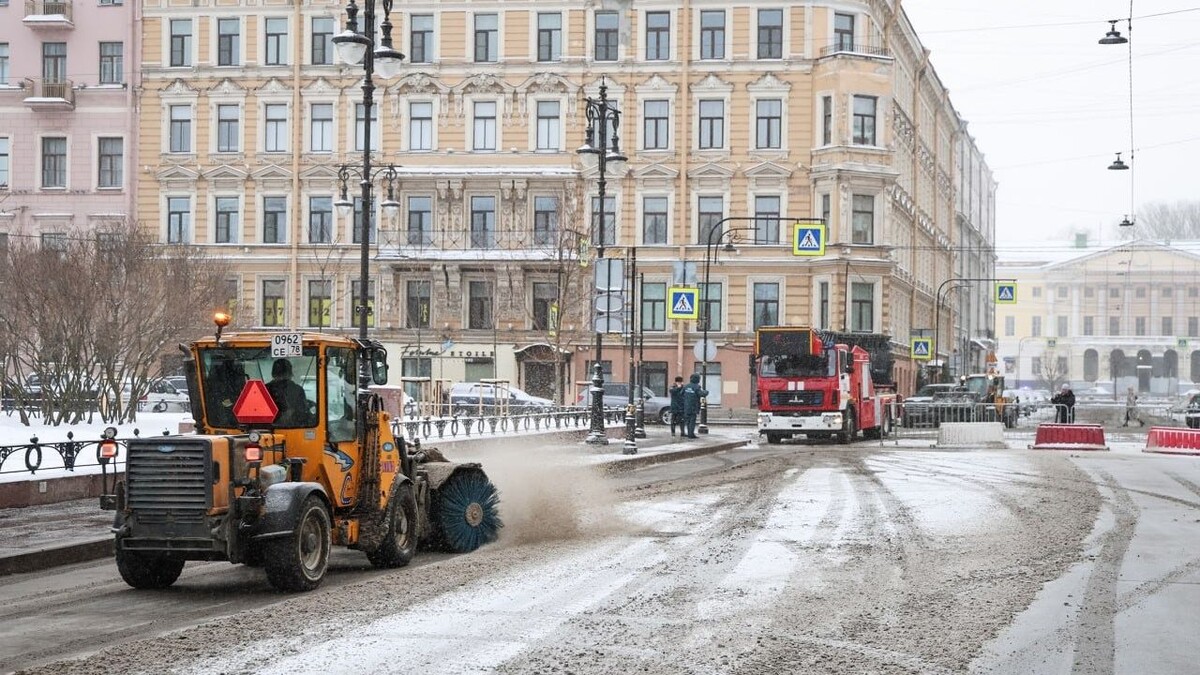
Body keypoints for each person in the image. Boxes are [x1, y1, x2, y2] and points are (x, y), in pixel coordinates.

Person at [266, 359, 309, 427]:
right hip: (295, 430)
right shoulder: (297, 390)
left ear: (273, 374)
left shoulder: (265, 389)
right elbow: (302, 413)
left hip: (265, 431)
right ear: (290, 374)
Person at [680, 374, 709, 439]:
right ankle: (691, 434)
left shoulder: (686, 386)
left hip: (686, 406)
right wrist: (706, 392)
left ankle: (689, 432)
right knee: (692, 421)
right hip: (693, 406)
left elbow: (681, 393)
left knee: (688, 421)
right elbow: (701, 394)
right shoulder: (697, 387)